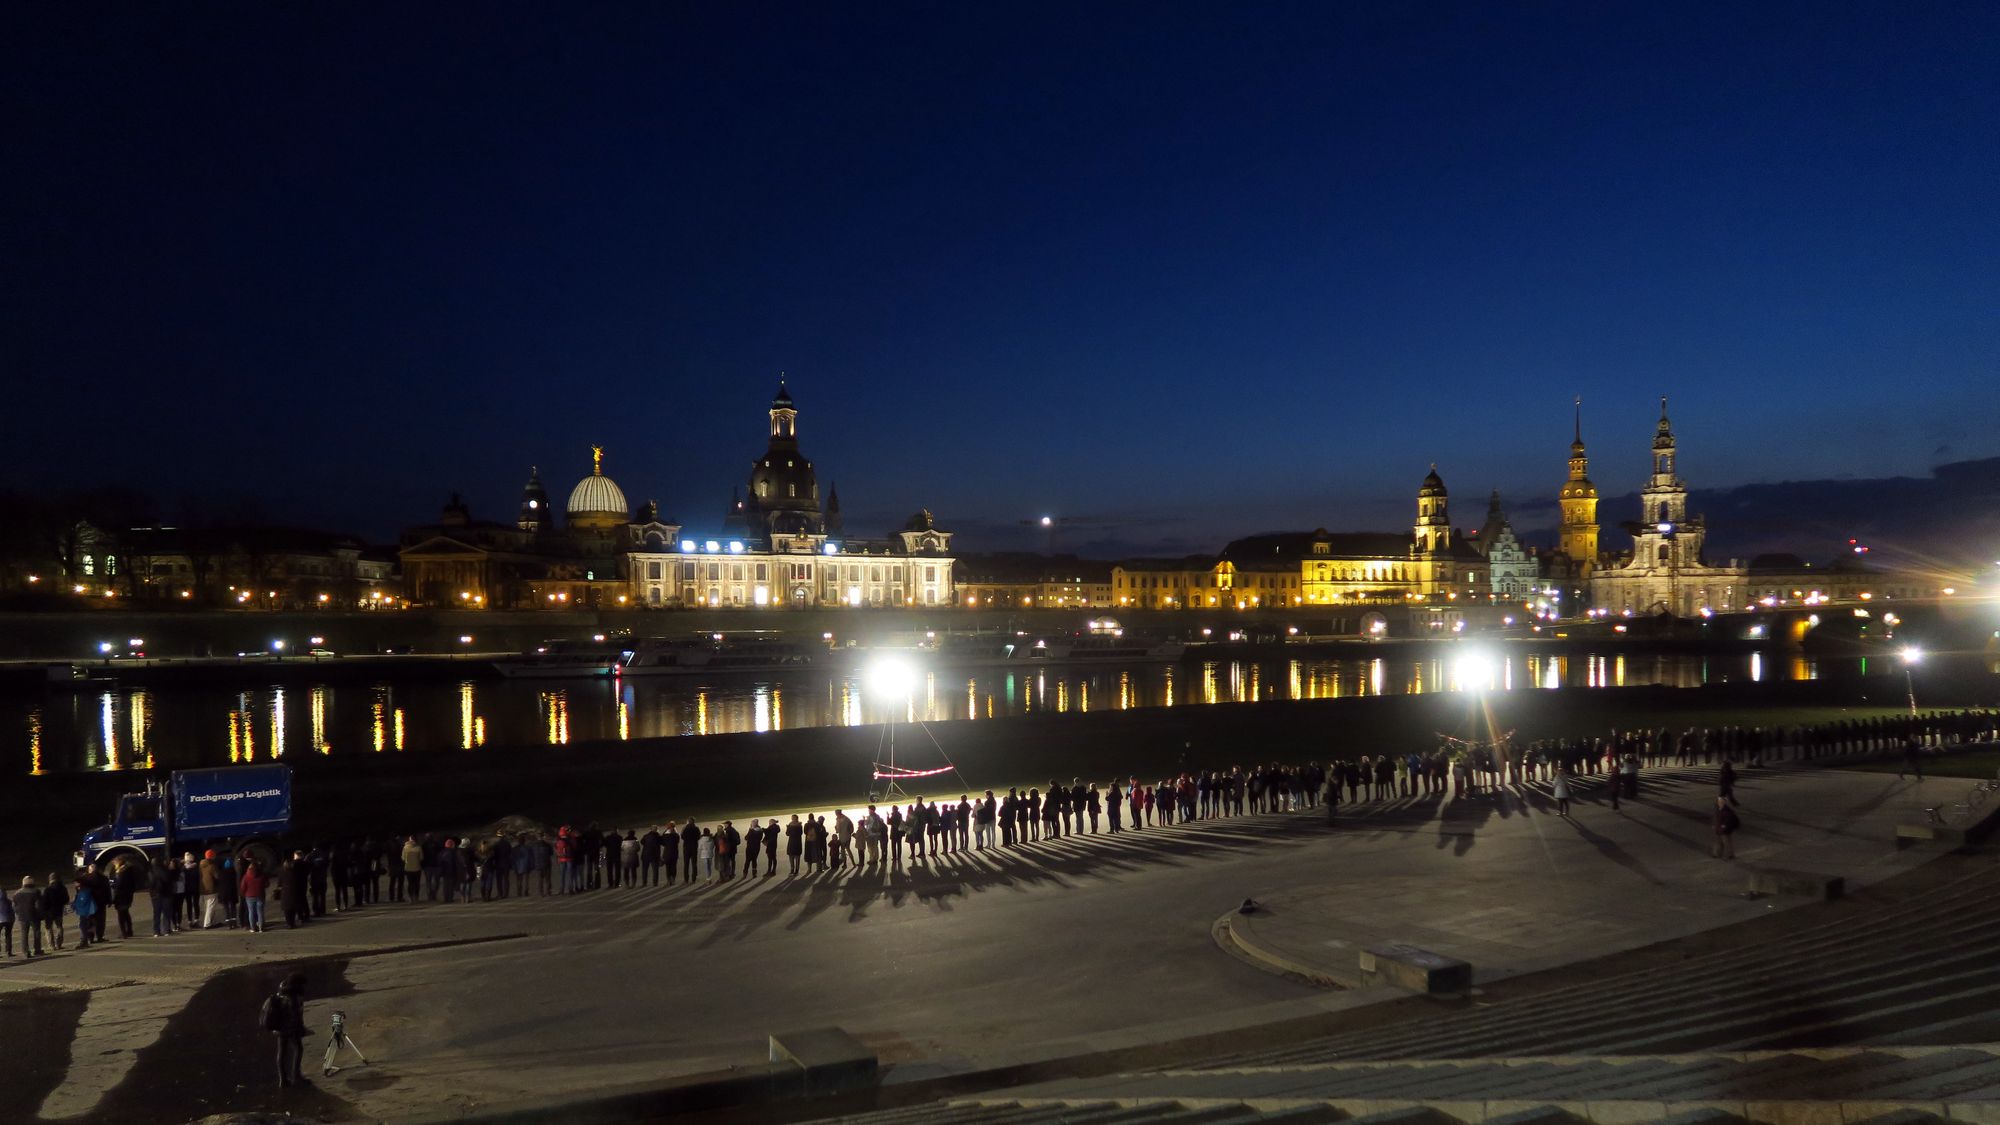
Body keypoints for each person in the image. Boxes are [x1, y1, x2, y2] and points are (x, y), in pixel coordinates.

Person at [264, 972, 309, 1087]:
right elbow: (296, 1017)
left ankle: (282, 1079)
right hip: (290, 1028)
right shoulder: (294, 998)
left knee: (281, 1052)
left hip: (279, 1028)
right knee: (299, 1049)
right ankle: (296, 1075)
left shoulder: (281, 991)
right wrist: (302, 1030)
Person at [280, 849, 310, 928]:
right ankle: (303, 916)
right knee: (301, 901)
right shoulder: (303, 865)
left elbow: (280, 882)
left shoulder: (285, 872)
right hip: (301, 887)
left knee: (289, 909)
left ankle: (291, 922)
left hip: (287, 892)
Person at [13, 877, 42, 957]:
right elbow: (38, 905)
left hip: (22, 916)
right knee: (36, 932)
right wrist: (40, 914)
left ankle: (25, 951)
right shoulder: (36, 891)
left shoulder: (17, 893)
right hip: (34, 915)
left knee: (24, 934)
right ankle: (37, 949)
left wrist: (18, 913)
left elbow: (14, 905)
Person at [41, 872, 69, 950]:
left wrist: (43, 910)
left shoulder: (48, 889)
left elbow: (44, 901)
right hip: (59, 910)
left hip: (48, 912)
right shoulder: (63, 888)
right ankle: (58, 943)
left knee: (48, 928)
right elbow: (66, 899)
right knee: (59, 927)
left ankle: (51, 945)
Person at [239, 858, 268, 933]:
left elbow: (242, 887)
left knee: (251, 912)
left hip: (249, 896)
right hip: (260, 895)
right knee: (260, 912)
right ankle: (261, 928)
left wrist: (243, 894)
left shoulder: (246, 876)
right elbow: (267, 884)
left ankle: (253, 928)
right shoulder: (261, 875)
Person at [148, 860, 175, 937]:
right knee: (166, 913)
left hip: (155, 896)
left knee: (156, 914)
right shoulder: (166, 871)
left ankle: (156, 931)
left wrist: (152, 894)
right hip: (166, 895)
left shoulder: (151, 872)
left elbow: (150, 884)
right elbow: (170, 882)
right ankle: (166, 930)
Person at [71, 875, 98, 949]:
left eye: (75, 883)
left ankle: (84, 941)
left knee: (83, 926)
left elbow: (82, 901)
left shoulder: (84, 891)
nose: (74, 884)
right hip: (85, 911)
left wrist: (74, 904)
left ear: (79, 883)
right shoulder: (82, 890)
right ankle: (84, 940)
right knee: (83, 925)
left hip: (85, 911)